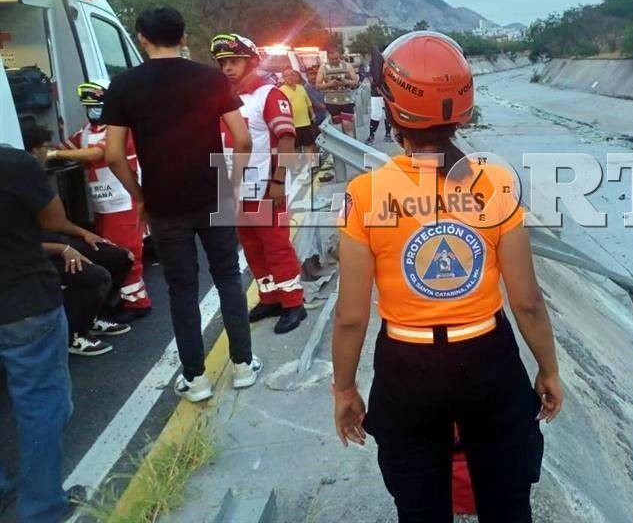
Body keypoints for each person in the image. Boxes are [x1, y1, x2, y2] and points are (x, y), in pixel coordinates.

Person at [332, 32, 563, 522]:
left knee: (419, 506)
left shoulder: (366, 193)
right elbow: (527, 301)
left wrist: (345, 389)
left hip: (405, 365)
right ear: (463, 108)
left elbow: (351, 317)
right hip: (488, 360)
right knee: (507, 500)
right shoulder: (495, 183)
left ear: (391, 109)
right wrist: (549, 368)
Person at [101, 7, 261, 402]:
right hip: (214, 194)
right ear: (183, 36)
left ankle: (196, 378)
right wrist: (234, 183)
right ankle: (243, 365)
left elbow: (113, 155)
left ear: (141, 37)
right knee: (227, 277)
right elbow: (242, 140)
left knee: (182, 289)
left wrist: (139, 197)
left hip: (164, 203)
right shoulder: (210, 78)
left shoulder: (123, 85)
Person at [0, 145, 90, 521]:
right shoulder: (12, 163)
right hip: (22, 300)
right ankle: (42, 508)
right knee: (42, 404)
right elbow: (54, 218)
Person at [211, 33, 308, 334]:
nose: (228, 68)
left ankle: (293, 303)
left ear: (252, 61)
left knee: (276, 246)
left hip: (266, 187)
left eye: (234, 61)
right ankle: (270, 297)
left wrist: (279, 181)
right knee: (252, 247)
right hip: (234, 188)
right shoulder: (223, 99)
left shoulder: (270, 95)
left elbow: (287, 139)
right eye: (223, 62)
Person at [22, 125, 134, 356]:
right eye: (45, 149)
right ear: (33, 152)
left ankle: (92, 317)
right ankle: (74, 334)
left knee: (119, 256)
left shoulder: (33, 180)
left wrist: (84, 233)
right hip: (31, 253)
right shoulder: (12, 186)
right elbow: (15, 244)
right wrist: (61, 248)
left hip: (51, 242)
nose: (48, 153)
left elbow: (56, 223)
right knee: (94, 277)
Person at [46, 80, 152, 323]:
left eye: (97, 106)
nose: (93, 111)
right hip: (103, 206)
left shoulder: (120, 129)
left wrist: (55, 154)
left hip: (124, 202)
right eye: (89, 107)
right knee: (108, 253)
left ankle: (138, 303)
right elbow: (67, 146)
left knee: (127, 253)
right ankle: (121, 298)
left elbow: (97, 153)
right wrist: (48, 151)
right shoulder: (85, 132)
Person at [315, 49, 359, 137]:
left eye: (337, 58)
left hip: (347, 101)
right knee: (338, 128)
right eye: (332, 59)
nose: (334, 61)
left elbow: (355, 81)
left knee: (348, 125)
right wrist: (329, 84)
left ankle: (350, 146)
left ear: (340, 57)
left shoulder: (347, 66)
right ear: (328, 58)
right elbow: (318, 86)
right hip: (332, 102)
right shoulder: (323, 68)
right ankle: (342, 147)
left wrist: (345, 82)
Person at [279, 68, 317, 154]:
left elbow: (308, 102)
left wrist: (312, 113)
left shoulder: (301, 88)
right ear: (283, 77)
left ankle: (313, 165)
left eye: (292, 74)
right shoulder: (280, 91)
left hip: (305, 122)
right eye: (287, 75)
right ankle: (296, 167)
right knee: (295, 148)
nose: (290, 77)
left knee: (310, 144)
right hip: (292, 125)